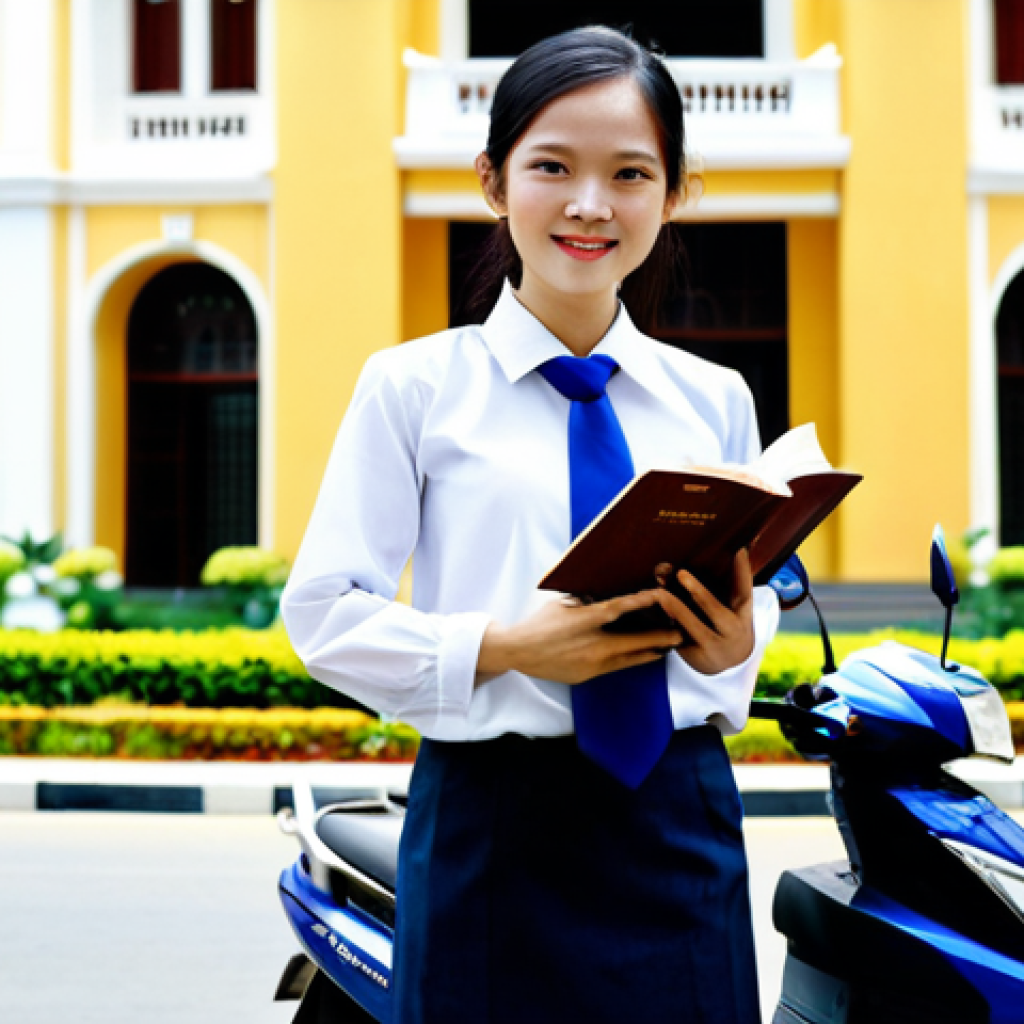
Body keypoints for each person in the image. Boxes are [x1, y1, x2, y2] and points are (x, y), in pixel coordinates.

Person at [281, 25, 779, 1024]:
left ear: (672, 193)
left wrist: (736, 645)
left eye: (630, 173)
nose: (590, 204)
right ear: (493, 181)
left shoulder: (712, 398)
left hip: (675, 822)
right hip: (489, 823)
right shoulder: (413, 388)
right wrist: (507, 645)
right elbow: (324, 613)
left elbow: (732, 623)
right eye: (551, 166)